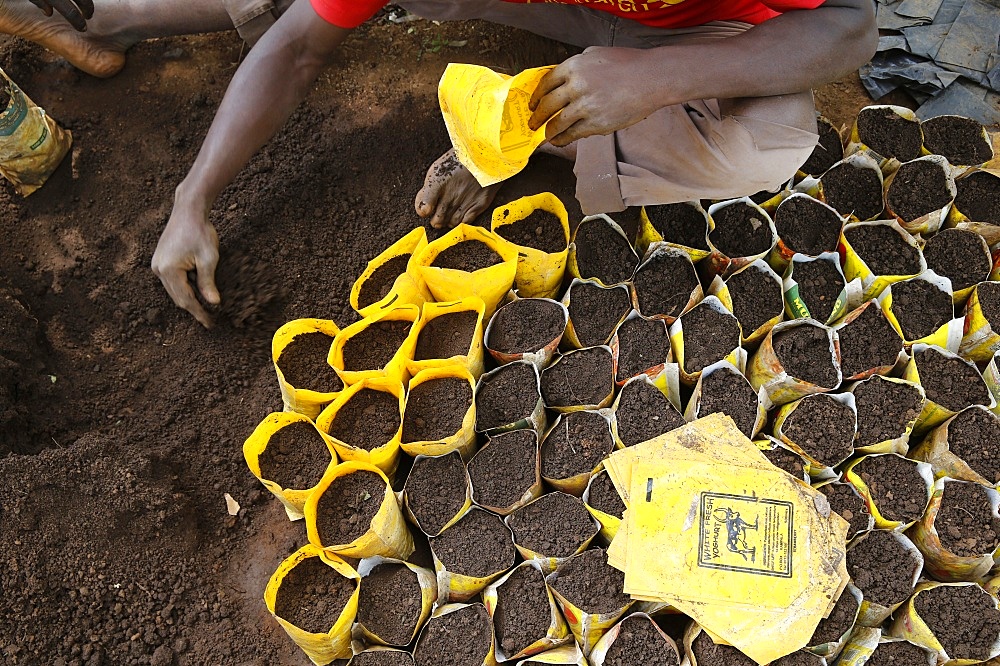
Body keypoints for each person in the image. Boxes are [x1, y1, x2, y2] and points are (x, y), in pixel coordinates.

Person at [4, 0, 877, 327]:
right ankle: (99, 13)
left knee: (763, 142)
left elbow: (848, 25)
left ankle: (537, 120)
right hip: (573, 18)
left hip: (696, 29)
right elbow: (301, 43)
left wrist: (658, 77)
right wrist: (192, 199)